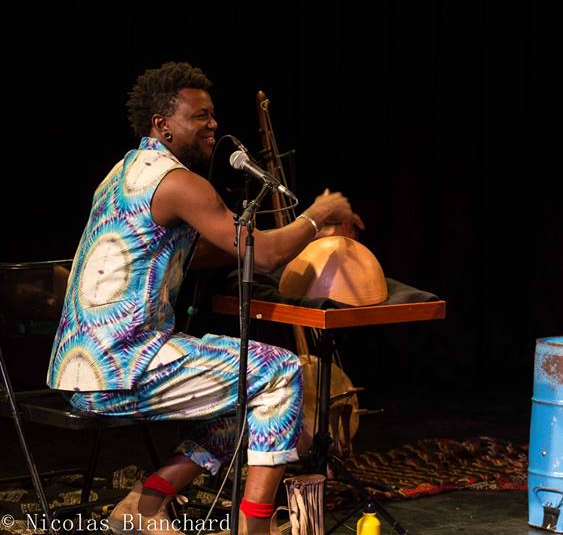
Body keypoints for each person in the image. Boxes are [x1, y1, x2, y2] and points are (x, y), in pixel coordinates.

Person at [46, 62, 357, 535]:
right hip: (123, 366)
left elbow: (200, 252)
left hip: (83, 369)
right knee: (279, 371)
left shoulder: (123, 172)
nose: (213, 124)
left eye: (213, 114)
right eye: (199, 116)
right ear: (162, 124)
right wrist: (318, 215)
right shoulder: (179, 182)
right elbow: (263, 255)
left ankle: (143, 503)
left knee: (247, 400)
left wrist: (277, 241)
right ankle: (251, 528)